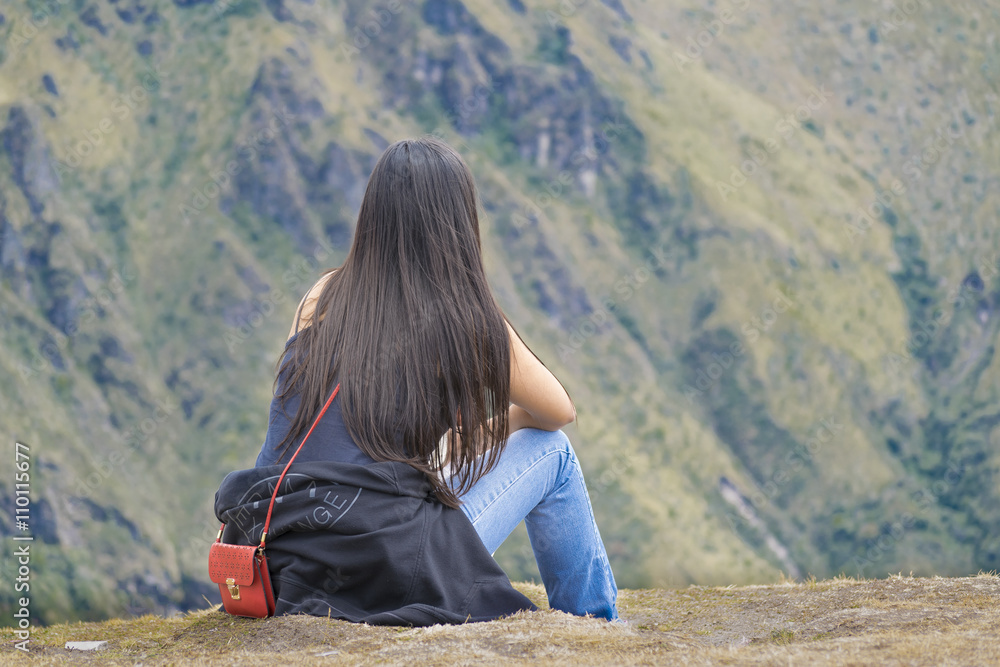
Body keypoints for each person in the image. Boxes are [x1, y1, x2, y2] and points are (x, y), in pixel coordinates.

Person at [240, 136, 618, 622]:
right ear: (458, 226)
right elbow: (558, 411)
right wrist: (510, 420)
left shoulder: (322, 296)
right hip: (387, 568)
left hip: (282, 558)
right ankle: (595, 625)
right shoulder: (465, 319)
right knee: (553, 452)